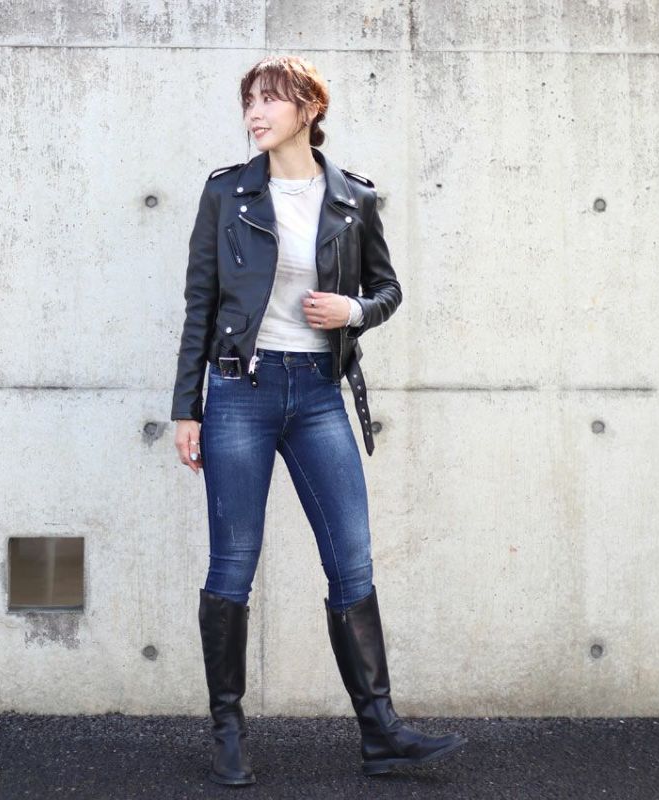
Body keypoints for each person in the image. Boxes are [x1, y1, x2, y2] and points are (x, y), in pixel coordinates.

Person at [171, 55, 467, 785]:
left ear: (309, 108)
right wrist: (187, 408)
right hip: (239, 391)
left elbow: (387, 289)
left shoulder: (351, 198)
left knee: (351, 559)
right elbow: (200, 305)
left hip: (316, 394)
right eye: (249, 100)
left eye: (270, 99)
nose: (255, 112)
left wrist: (352, 310)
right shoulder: (226, 193)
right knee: (233, 563)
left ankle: (380, 733)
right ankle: (228, 731)